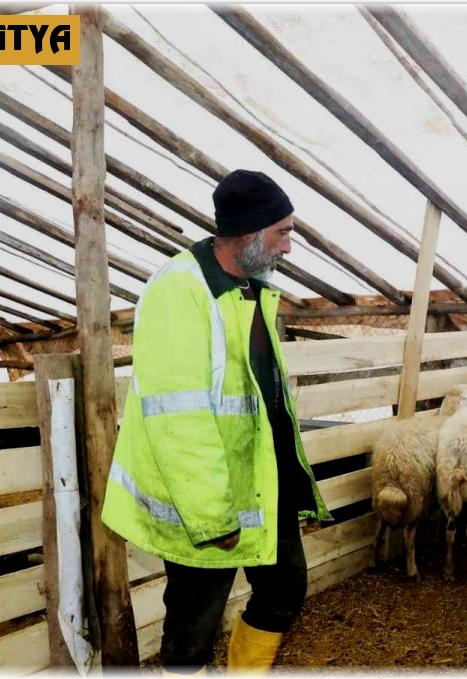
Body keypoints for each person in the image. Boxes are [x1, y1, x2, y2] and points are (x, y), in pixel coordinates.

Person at [102, 170, 331, 674]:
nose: (289, 248)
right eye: (283, 233)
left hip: (257, 481)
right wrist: (212, 515)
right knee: (192, 626)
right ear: (249, 233)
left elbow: (259, 396)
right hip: (201, 496)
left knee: (285, 588)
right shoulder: (180, 289)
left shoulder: (253, 290)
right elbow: (177, 415)